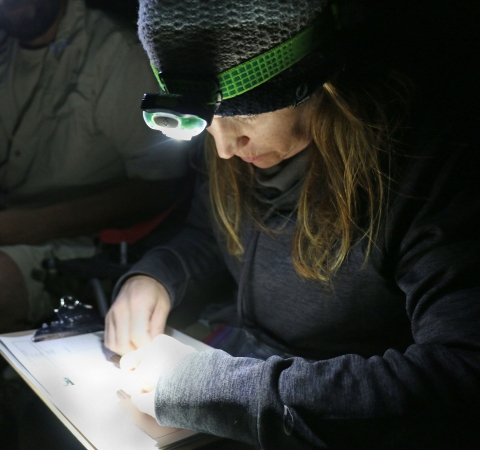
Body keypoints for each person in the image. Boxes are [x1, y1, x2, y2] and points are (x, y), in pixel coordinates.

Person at [105, 0, 480, 448]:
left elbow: (460, 377)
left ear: (317, 84)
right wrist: (158, 276)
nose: (225, 146)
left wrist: (222, 393)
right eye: (205, 120)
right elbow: (210, 234)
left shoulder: (425, 171)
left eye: (245, 111)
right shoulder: (237, 150)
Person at [0, 0, 192, 333]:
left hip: (81, 242)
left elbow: (160, 184)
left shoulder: (114, 52)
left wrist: (27, 226)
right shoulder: (7, 43)